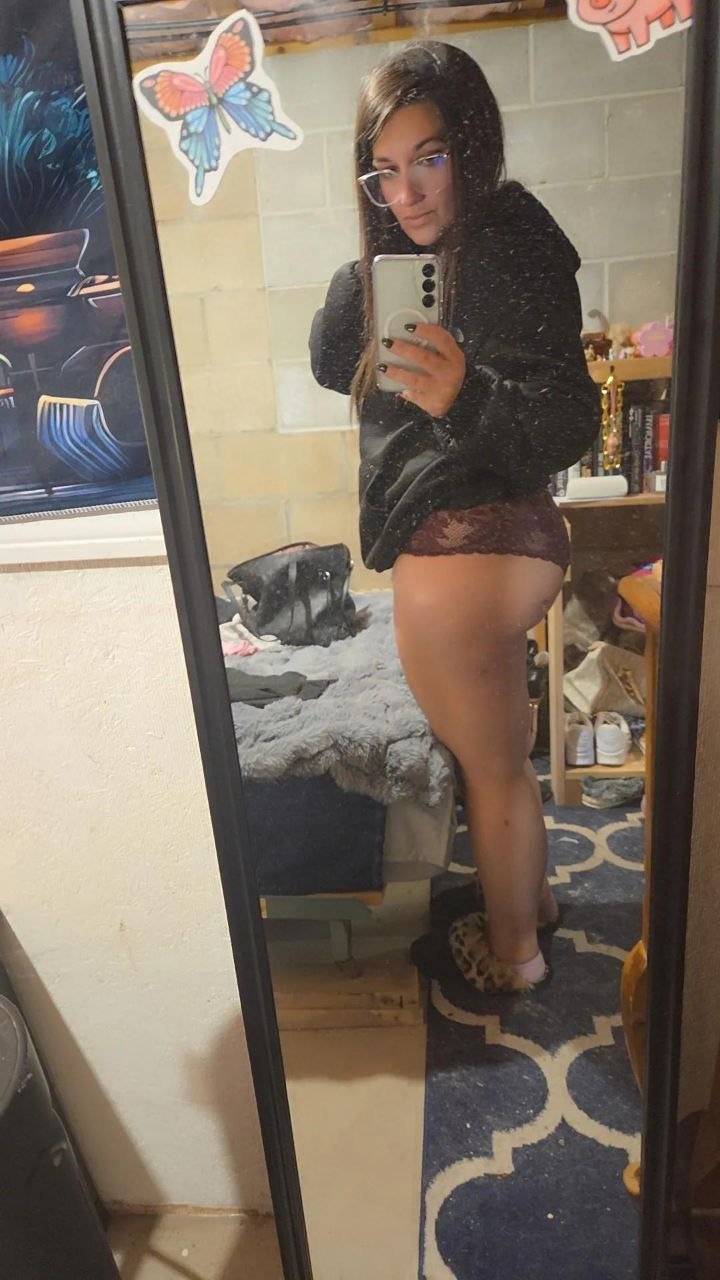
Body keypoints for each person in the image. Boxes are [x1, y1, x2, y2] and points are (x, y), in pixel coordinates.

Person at [310, 41, 600, 990]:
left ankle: (514, 959)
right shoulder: (405, 257)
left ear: (471, 146)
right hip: (489, 539)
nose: (408, 193)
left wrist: (463, 395)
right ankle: (534, 906)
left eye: (429, 158)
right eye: (384, 171)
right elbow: (329, 360)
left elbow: (569, 421)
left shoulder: (511, 241)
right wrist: (372, 266)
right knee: (502, 752)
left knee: (492, 769)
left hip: (474, 541)